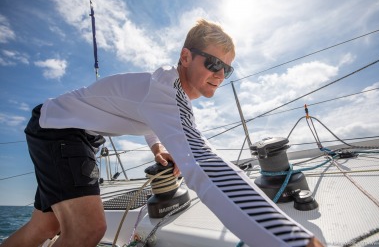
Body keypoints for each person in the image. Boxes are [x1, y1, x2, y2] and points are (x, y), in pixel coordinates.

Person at [1, 19, 323, 247]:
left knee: (46, 225)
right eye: (213, 63)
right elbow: (203, 164)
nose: (220, 74)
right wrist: (291, 239)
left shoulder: (164, 90)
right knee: (88, 230)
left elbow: (147, 116)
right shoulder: (166, 93)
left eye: (228, 68)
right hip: (61, 130)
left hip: (58, 125)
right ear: (186, 57)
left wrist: (157, 148)